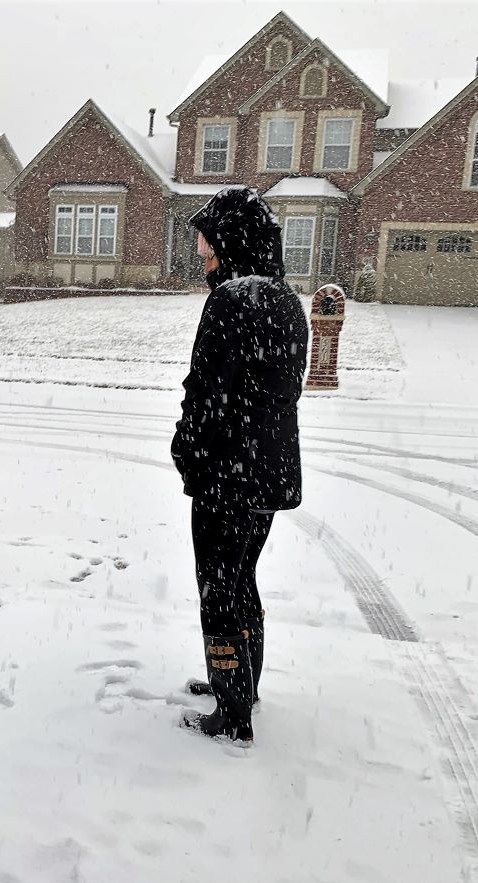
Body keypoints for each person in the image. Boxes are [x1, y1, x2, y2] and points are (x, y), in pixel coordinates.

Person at [171, 187, 309, 743]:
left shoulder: (232, 300)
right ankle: (240, 684)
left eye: (207, 242)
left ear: (230, 241)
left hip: (227, 475)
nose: (202, 253)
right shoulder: (286, 300)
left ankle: (231, 717)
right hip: (267, 472)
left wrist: (186, 450)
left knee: (218, 589)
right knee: (241, 578)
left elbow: (207, 392)